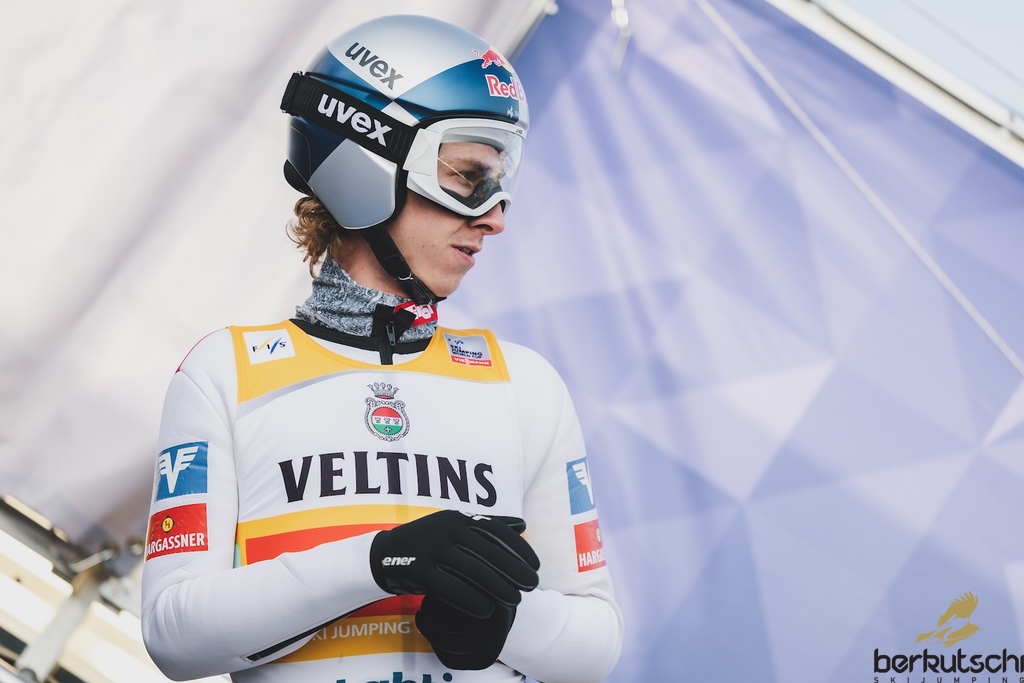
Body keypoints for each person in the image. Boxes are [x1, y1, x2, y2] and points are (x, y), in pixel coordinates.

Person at [140, 14, 622, 683]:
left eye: (501, 183)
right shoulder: (224, 372)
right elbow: (173, 636)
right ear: (366, 161)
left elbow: (597, 644)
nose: (494, 217)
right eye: (467, 176)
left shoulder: (525, 385)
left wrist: (505, 621)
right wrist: (378, 561)